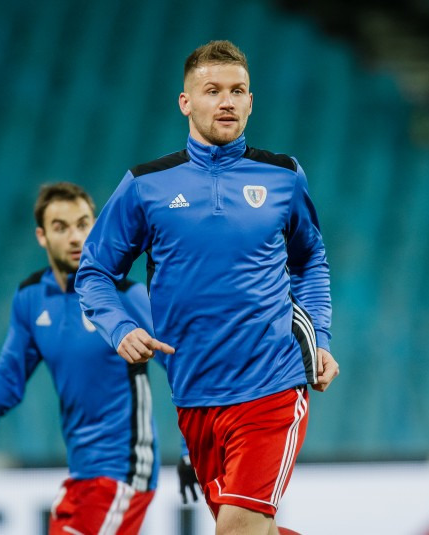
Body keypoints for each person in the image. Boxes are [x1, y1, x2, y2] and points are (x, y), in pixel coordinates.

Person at [75, 41, 339, 535]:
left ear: (251, 101)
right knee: (253, 530)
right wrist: (119, 328)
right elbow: (94, 273)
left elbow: (310, 261)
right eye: (212, 90)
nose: (227, 102)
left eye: (238, 91)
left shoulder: (283, 176)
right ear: (185, 101)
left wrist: (319, 338)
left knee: (237, 528)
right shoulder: (145, 185)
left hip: (272, 384)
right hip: (194, 395)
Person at [0, 182, 199, 535]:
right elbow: (11, 370)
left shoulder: (125, 297)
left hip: (125, 468)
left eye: (83, 224)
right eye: (61, 227)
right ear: (41, 236)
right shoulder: (31, 298)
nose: (75, 237)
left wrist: (193, 450)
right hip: (81, 472)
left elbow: (183, 366)